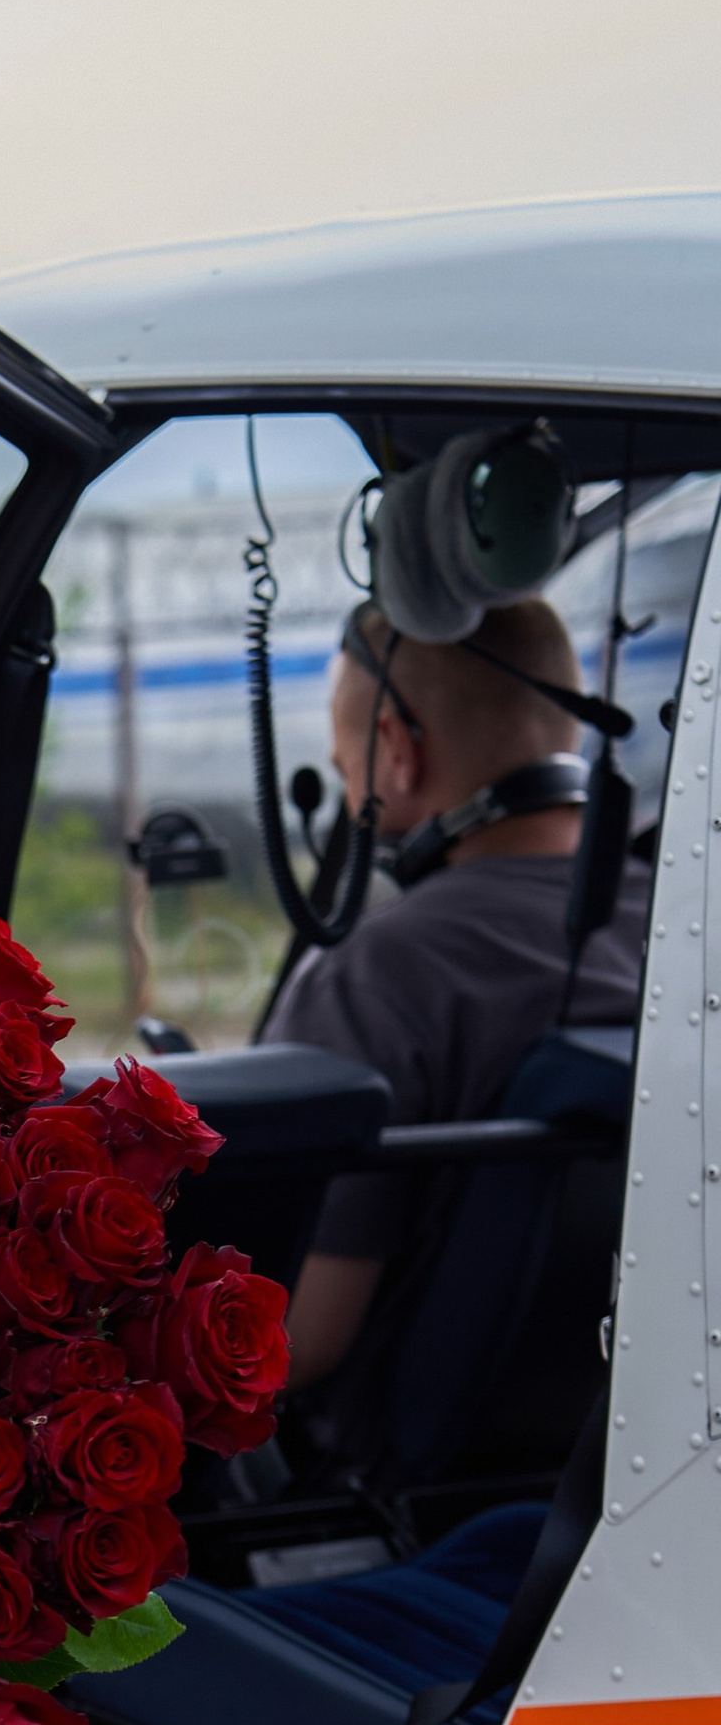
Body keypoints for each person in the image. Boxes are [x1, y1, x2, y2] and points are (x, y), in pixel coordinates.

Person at [263, 591, 647, 1419]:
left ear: (397, 751)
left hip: (407, 1483)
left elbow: (302, 1342)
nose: (354, 791)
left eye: (347, 770)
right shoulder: (695, 933)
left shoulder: (380, 971)